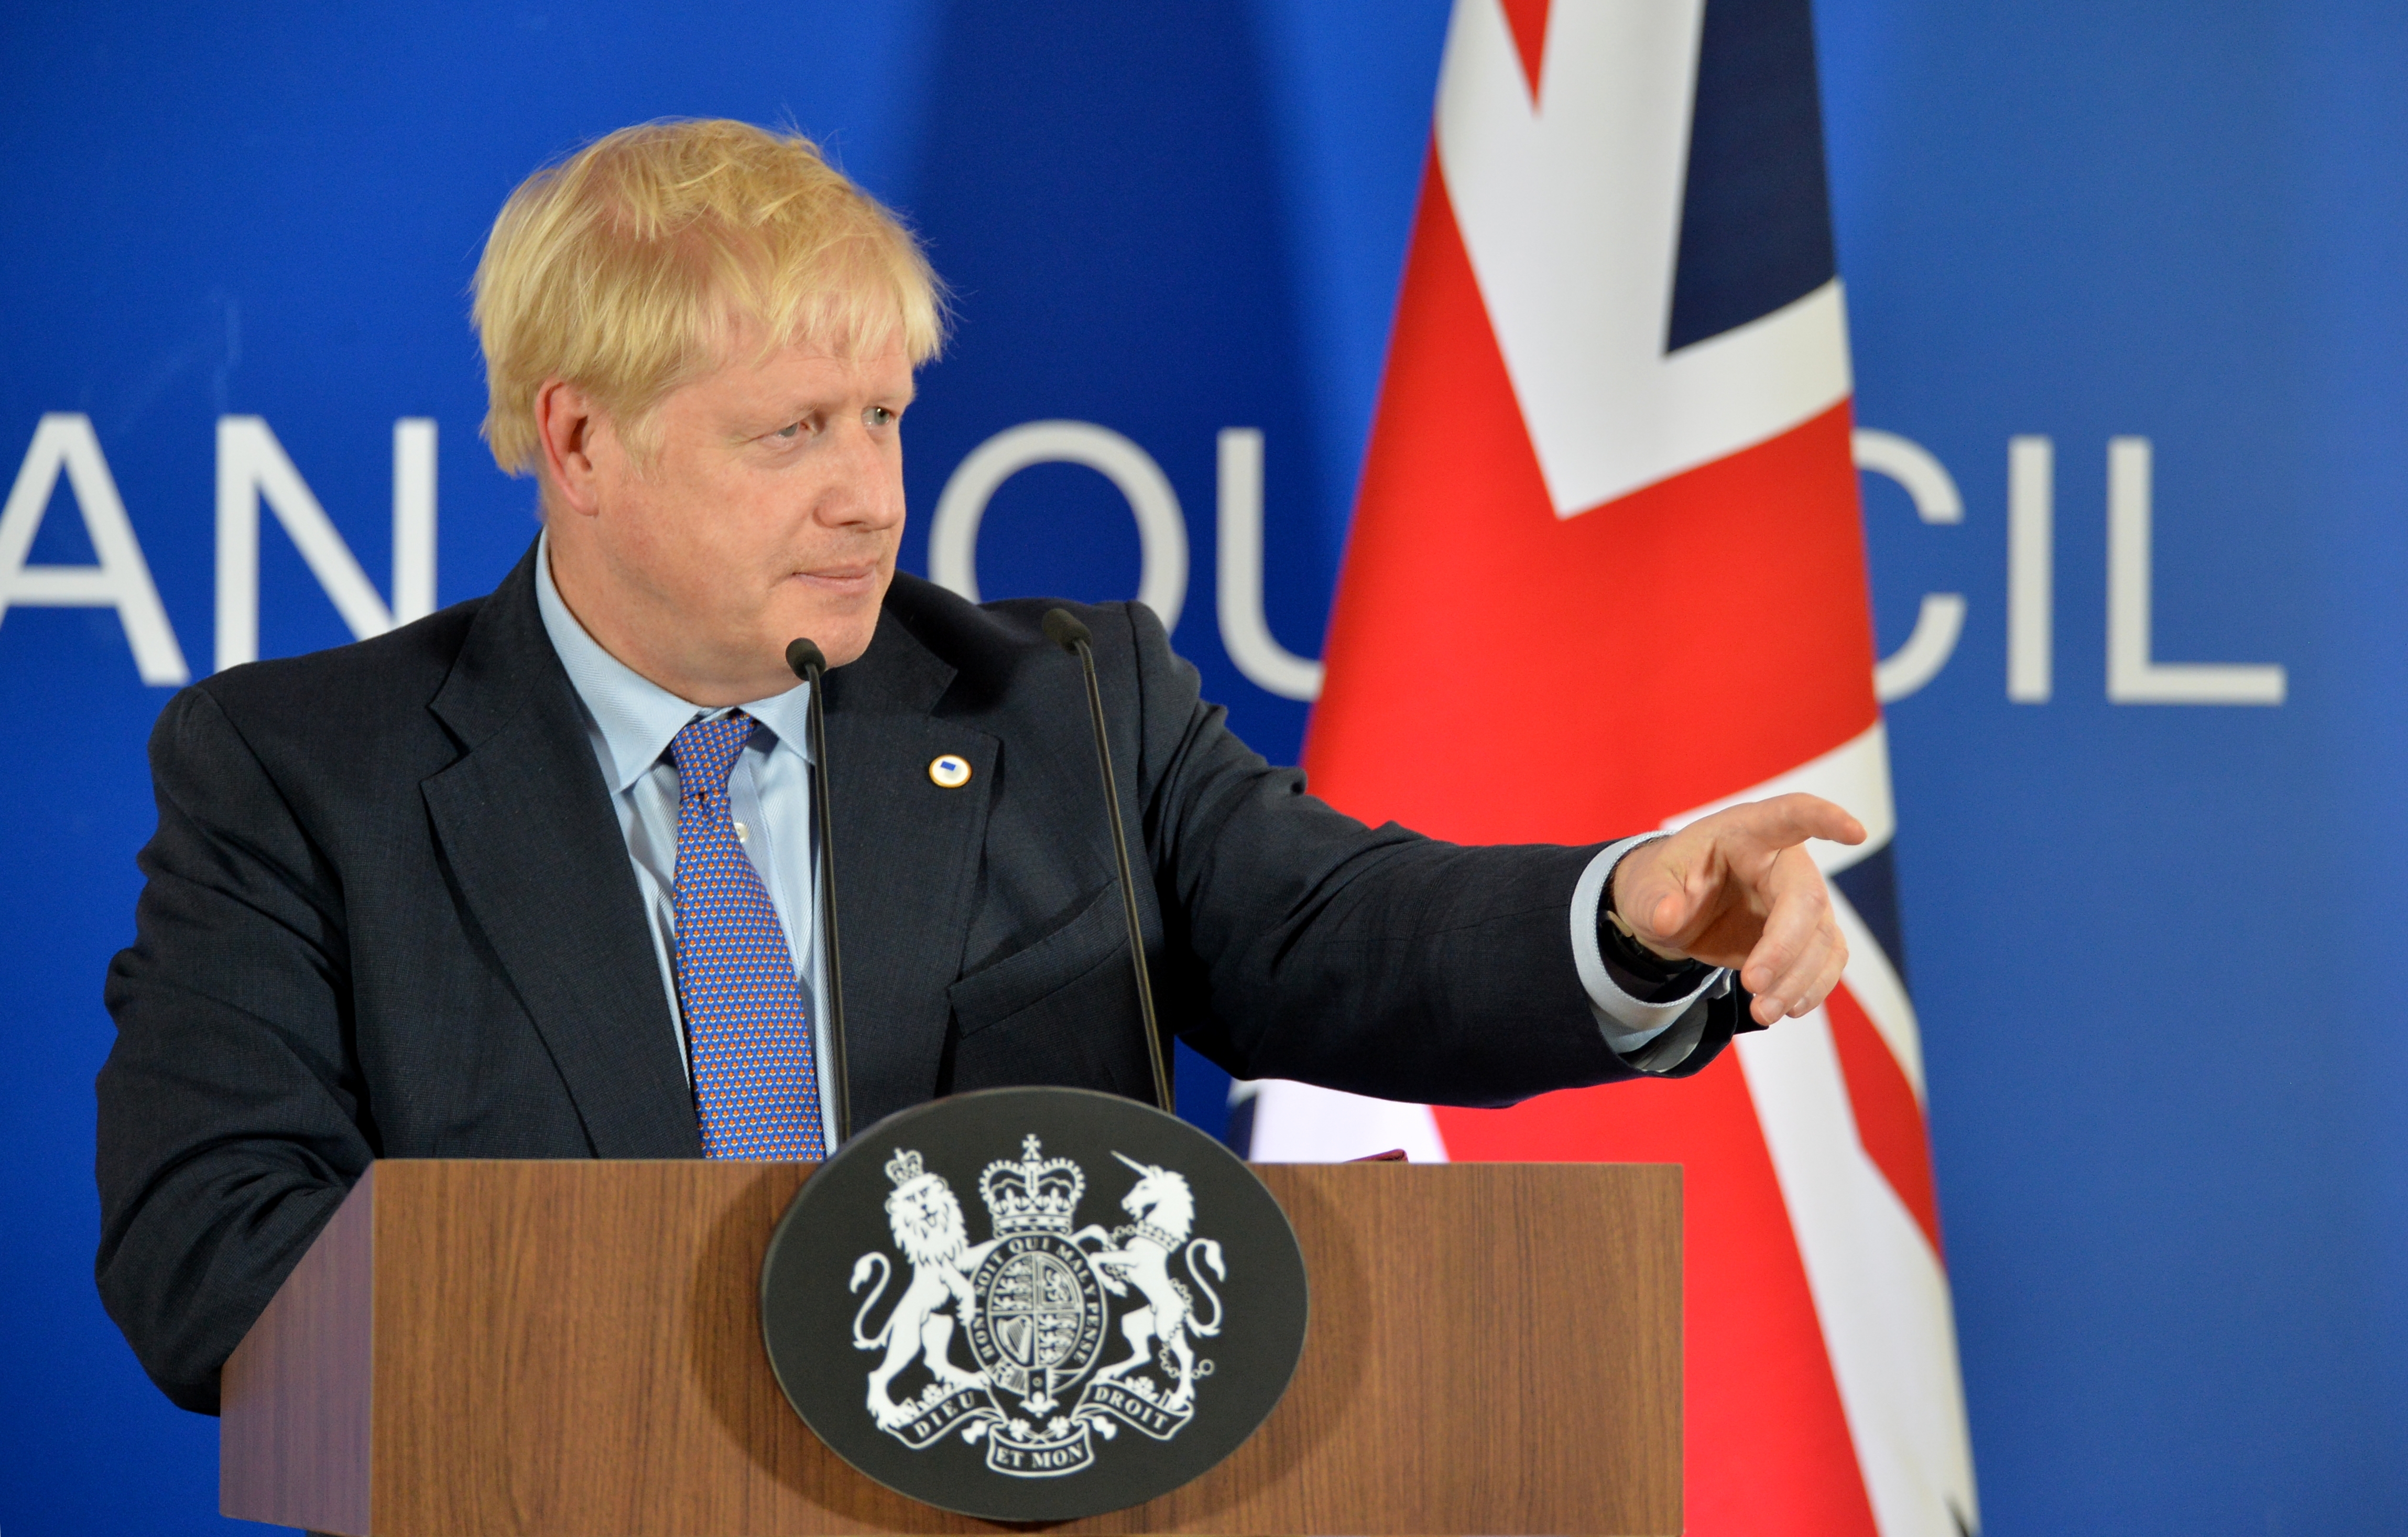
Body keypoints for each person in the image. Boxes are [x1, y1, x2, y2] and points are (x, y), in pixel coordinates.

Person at [95, 120, 1864, 1414]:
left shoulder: (1060, 707)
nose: (869, 493)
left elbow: (1339, 929)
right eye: (791, 430)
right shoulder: (300, 773)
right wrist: (682, 1352)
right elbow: (212, 1256)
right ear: (579, 438)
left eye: (883, 418)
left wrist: (1624, 916)